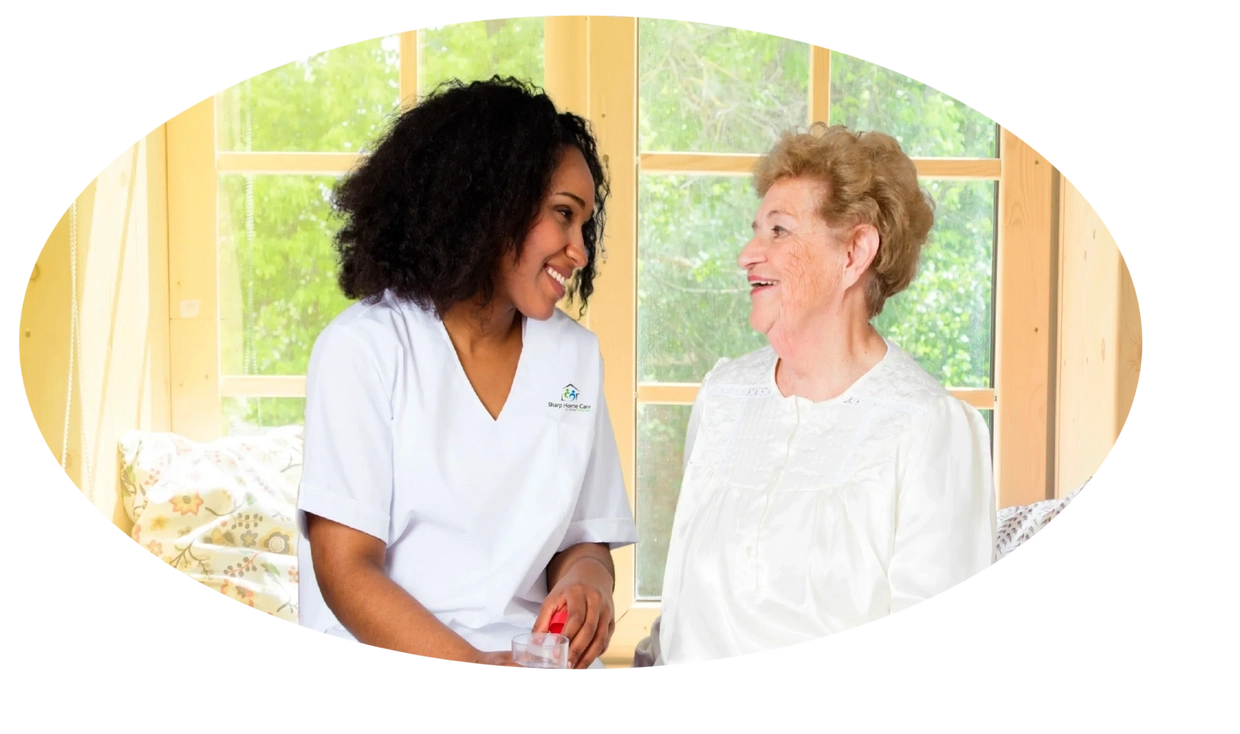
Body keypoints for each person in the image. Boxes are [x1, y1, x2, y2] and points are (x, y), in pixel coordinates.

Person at [295, 76, 638, 672]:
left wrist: (588, 584)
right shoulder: (366, 348)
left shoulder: (573, 358)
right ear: (490, 206)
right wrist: (475, 665)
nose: (579, 251)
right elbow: (344, 567)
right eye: (563, 215)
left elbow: (584, 538)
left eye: (585, 224)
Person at [633, 123, 997, 670]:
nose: (747, 254)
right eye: (756, 230)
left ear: (855, 251)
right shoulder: (724, 398)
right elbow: (683, 617)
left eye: (779, 231)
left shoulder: (929, 429)